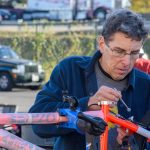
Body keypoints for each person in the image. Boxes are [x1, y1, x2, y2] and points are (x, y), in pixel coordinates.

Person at [29, 9, 150, 150]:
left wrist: (131, 140)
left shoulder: (146, 86)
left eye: (135, 53)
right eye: (119, 51)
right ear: (102, 44)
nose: (126, 61)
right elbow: (37, 123)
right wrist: (86, 105)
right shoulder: (70, 70)